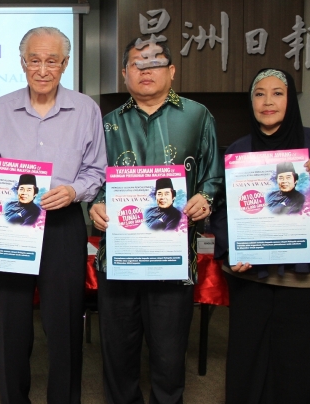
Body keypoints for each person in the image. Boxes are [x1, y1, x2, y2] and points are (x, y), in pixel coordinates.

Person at [88, 38, 223, 404]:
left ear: (172, 71)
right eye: (137, 64)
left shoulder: (197, 116)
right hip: (119, 257)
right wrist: (96, 206)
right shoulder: (107, 124)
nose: (146, 71)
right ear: (125, 73)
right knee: (117, 352)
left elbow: (214, 175)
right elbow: (93, 180)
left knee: (168, 353)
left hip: (173, 257)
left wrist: (204, 198)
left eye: (155, 64)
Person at [0, 27, 107, 403]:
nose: (42, 69)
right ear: (22, 63)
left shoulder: (86, 109)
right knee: (11, 327)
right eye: (34, 60)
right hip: (11, 227)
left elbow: (97, 170)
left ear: (65, 64)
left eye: (51, 61)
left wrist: (74, 191)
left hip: (63, 225)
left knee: (64, 325)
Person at [211, 68, 310, 404]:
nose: (267, 101)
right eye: (259, 93)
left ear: (291, 100)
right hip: (253, 277)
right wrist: (231, 251)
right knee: (247, 364)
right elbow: (223, 212)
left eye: (278, 93)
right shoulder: (239, 152)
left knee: (298, 368)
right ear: (251, 101)